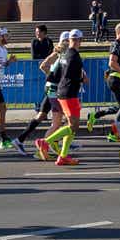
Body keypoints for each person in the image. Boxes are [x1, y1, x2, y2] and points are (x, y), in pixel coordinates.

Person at [11, 32, 68, 156]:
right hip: (54, 89)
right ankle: (53, 142)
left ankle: (21, 140)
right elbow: (43, 66)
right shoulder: (58, 54)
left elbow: (45, 67)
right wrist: (53, 78)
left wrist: (52, 78)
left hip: (52, 88)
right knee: (64, 118)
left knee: (42, 115)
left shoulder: (61, 53)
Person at [40, 29, 90, 165]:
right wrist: (81, 78)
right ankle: (46, 142)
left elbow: (58, 73)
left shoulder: (66, 54)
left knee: (71, 126)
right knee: (73, 125)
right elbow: (69, 75)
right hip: (69, 93)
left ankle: (63, 156)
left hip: (63, 92)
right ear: (80, 40)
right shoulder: (74, 56)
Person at [88, 23, 120, 146]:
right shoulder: (116, 45)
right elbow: (112, 63)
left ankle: (95, 115)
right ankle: (114, 134)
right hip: (115, 79)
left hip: (116, 79)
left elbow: (119, 62)